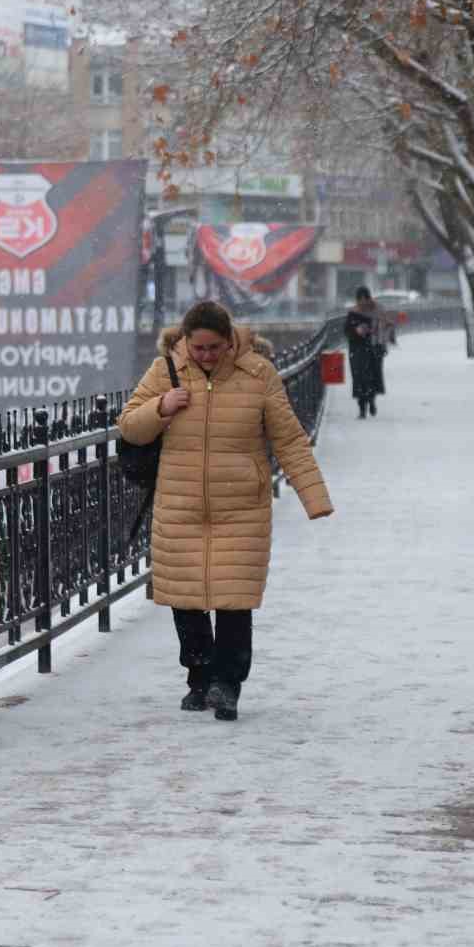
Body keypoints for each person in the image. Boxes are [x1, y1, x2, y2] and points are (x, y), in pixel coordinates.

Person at [118, 301, 333, 721]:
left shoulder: (258, 373)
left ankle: (227, 684)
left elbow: (288, 439)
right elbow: (128, 425)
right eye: (199, 348)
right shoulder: (165, 370)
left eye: (215, 347)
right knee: (187, 596)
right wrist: (162, 406)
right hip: (180, 503)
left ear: (229, 340)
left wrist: (314, 496)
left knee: (235, 600)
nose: (207, 356)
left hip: (241, 504)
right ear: (185, 342)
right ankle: (198, 678)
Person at [344, 285, 390, 418]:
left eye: (365, 299)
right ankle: (362, 409)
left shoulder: (378, 310)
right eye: (360, 299)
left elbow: (384, 328)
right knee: (359, 379)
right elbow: (347, 330)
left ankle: (371, 401)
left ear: (369, 298)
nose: (362, 302)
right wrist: (356, 331)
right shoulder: (353, 313)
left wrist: (382, 344)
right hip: (357, 350)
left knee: (372, 378)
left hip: (374, 348)